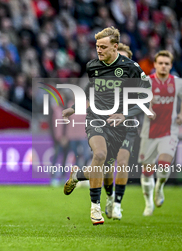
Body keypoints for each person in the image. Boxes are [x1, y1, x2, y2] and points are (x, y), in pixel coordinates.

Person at [62, 27, 151, 225]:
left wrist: (124, 114)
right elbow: (90, 92)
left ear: (115, 47)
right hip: (96, 119)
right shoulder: (93, 66)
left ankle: (77, 175)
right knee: (100, 156)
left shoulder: (131, 68)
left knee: (104, 165)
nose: (99, 51)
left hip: (119, 125)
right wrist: (73, 108)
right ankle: (95, 208)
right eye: (97, 47)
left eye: (103, 47)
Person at [139, 50, 182, 216]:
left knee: (164, 166)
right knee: (147, 170)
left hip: (169, 131)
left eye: (166, 63)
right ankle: (148, 203)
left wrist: (180, 114)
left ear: (170, 66)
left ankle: (159, 187)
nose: (163, 66)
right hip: (149, 132)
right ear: (155, 65)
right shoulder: (147, 82)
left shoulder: (177, 83)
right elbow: (139, 101)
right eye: (160, 63)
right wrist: (147, 109)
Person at [103, 43, 137, 220]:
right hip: (108, 127)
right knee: (107, 166)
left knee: (122, 162)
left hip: (129, 126)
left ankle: (117, 204)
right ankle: (109, 197)